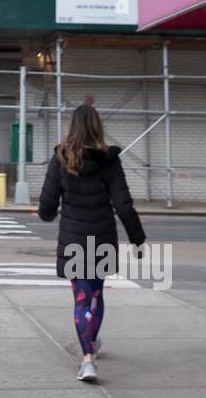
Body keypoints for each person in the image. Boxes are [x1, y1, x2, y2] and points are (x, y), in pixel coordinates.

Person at [37, 104, 146, 383]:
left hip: (73, 237)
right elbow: (123, 203)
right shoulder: (109, 160)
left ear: (73, 127)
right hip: (102, 237)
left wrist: (49, 213)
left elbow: (47, 205)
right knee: (96, 294)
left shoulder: (61, 158)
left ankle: (88, 359)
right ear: (97, 126)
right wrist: (137, 238)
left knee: (81, 297)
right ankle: (91, 347)